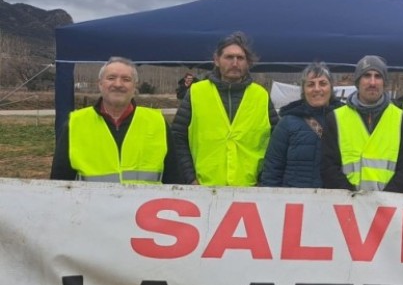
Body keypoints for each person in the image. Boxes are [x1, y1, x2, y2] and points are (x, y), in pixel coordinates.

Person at [171, 32, 277, 186]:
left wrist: (263, 179)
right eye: (229, 57)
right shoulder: (196, 92)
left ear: (248, 63)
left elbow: (277, 142)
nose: (235, 63)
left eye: (240, 58)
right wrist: (190, 178)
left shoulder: (261, 95)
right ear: (217, 60)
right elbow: (177, 137)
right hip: (204, 188)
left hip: (250, 190)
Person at [51, 57, 178, 184]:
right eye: (111, 78)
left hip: (145, 204)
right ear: (100, 84)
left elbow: (174, 179)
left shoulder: (157, 122)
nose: (118, 84)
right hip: (92, 203)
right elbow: (58, 184)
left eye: (126, 79)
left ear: (135, 86)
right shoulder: (75, 123)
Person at [321, 55, 403, 193]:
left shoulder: (402, 119)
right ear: (357, 82)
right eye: (366, 76)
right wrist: (353, 197)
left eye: (378, 76)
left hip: (387, 207)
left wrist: (383, 200)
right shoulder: (335, 118)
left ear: (384, 83)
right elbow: (328, 167)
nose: (372, 82)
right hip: (346, 205)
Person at [260, 62, 343, 188]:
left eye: (323, 83)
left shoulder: (346, 119)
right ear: (303, 90)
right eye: (310, 84)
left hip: (337, 200)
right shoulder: (287, 123)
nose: (317, 89)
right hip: (295, 201)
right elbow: (272, 168)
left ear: (331, 87)